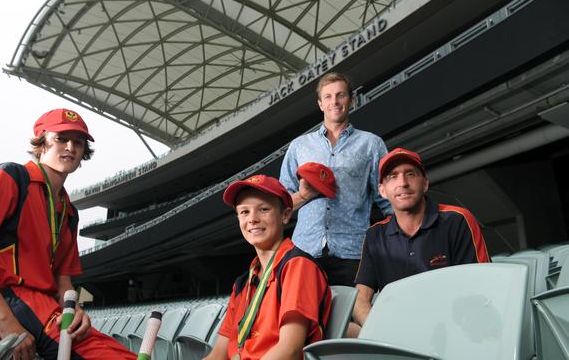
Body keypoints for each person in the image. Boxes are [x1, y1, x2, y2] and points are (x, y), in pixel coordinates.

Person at [0, 109, 136, 360]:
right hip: (8, 301)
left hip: (46, 305)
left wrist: (75, 309)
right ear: (42, 142)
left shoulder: (69, 211)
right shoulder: (12, 177)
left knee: (116, 351)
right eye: (61, 139)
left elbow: (63, 281)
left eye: (78, 142)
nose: (70, 147)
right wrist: (6, 323)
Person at [350, 148, 491, 336]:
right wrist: (379, 332)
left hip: (454, 331)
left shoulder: (457, 220)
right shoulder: (375, 235)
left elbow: (482, 288)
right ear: (382, 191)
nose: (403, 183)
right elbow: (360, 300)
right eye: (393, 176)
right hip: (396, 336)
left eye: (410, 174)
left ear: (425, 183)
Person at [279, 72, 392, 286]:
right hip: (305, 250)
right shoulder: (299, 147)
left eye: (340, 95)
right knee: (308, 319)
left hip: (353, 252)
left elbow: (387, 199)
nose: (335, 102)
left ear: (351, 99)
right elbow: (281, 205)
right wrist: (304, 196)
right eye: (328, 97)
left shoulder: (371, 144)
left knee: (355, 316)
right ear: (320, 104)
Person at [204, 175, 332, 360]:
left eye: (263, 209)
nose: (252, 219)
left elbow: (290, 350)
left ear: (285, 215)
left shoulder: (297, 266)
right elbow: (218, 355)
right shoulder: (243, 283)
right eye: (244, 212)